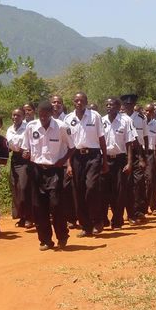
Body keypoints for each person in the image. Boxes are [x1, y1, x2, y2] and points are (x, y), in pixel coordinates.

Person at [21, 101, 75, 251]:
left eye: (46, 115)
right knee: (39, 207)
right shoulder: (31, 127)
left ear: (51, 113)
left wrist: (62, 161)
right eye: (40, 115)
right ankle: (45, 240)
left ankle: (62, 236)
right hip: (37, 170)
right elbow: (26, 147)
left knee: (56, 205)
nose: (43, 117)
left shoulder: (61, 127)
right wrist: (26, 153)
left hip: (54, 171)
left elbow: (72, 147)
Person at [64, 92, 109, 237]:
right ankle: (85, 226)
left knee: (91, 187)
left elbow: (102, 139)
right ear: (73, 102)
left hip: (93, 155)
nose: (79, 103)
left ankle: (98, 221)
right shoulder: (68, 118)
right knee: (78, 191)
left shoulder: (95, 116)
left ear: (86, 102)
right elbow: (67, 144)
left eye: (81, 100)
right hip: (76, 156)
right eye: (76, 100)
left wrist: (105, 160)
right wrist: (69, 164)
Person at [100, 97, 134, 230]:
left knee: (119, 192)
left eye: (112, 104)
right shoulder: (101, 120)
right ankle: (104, 220)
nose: (109, 107)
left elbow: (129, 143)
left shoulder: (126, 121)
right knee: (103, 191)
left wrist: (129, 163)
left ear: (118, 106)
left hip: (120, 159)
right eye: (107, 104)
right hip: (104, 159)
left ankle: (117, 220)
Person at [50, 94, 79, 229]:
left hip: (65, 161)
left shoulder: (67, 120)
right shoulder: (46, 120)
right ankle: (58, 218)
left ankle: (71, 219)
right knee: (54, 192)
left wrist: (69, 164)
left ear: (62, 104)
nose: (56, 104)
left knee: (67, 190)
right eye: (54, 102)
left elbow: (70, 144)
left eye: (58, 102)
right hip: (51, 163)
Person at [121, 94, 148, 225]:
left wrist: (144, 156)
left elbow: (146, 136)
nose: (129, 106)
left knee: (138, 182)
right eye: (126, 104)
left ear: (134, 105)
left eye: (131, 104)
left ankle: (138, 211)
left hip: (138, 153)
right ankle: (129, 212)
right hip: (124, 153)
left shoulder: (141, 117)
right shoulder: (121, 118)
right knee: (126, 185)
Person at [6, 108, 34, 228]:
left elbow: (33, 142)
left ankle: (30, 217)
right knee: (15, 187)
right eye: (14, 115)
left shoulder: (28, 128)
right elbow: (8, 145)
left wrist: (28, 152)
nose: (15, 117)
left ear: (23, 116)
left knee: (24, 187)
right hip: (15, 158)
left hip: (26, 159)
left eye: (18, 115)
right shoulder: (10, 129)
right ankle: (21, 217)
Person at [144, 103, 156, 215]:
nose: (147, 113)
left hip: (150, 154)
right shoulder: (138, 123)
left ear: (153, 112)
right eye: (145, 111)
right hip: (139, 153)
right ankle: (141, 208)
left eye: (150, 111)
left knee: (150, 181)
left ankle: (153, 205)